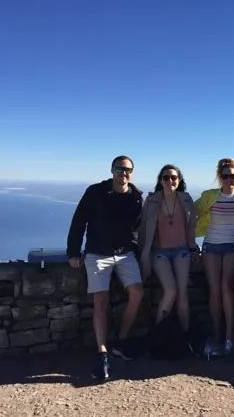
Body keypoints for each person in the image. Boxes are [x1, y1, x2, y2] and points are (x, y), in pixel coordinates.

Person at [66, 155, 144, 380]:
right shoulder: (95, 192)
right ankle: (102, 352)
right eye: (120, 169)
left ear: (132, 172)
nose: (123, 173)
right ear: (112, 170)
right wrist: (73, 252)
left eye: (127, 170)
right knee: (101, 299)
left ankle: (121, 340)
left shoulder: (136, 196)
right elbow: (79, 221)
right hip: (97, 254)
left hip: (125, 253)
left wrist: (137, 248)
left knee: (137, 294)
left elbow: (137, 227)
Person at [138, 164, 199, 345]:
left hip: (182, 251)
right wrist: (142, 252)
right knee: (170, 291)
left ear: (179, 180)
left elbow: (191, 229)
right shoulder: (152, 200)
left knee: (182, 294)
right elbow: (143, 229)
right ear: (160, 180)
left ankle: (185, 338)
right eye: (166, 177)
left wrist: (194, 248)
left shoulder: (186, 200)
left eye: (174, 177)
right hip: (159, 252)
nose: (170, 181)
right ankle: (158, 337)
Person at [194, 158, 234, 357]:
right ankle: (217, 334)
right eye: (225, 176)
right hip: (211, 246)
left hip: (233, 246)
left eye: (233, 176)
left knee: (226, 286)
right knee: (215, 289)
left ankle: (229, 335)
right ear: (220, 177)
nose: (229, 180)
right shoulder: (210, 196)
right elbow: (191, 212)